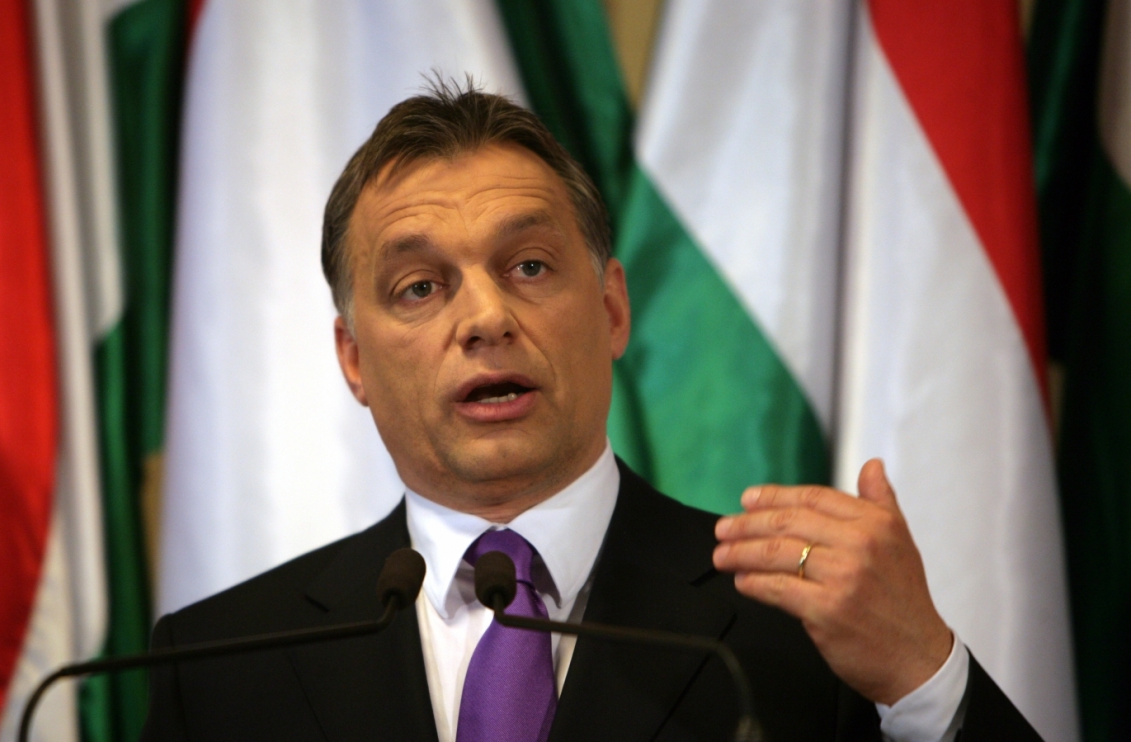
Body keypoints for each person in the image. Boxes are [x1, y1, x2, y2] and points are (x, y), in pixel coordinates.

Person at [141, 81, 1041, 741]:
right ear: (353, 360)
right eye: (420, 286)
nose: (485, 318)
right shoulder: (222, 665)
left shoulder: (802, 628)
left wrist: (923, 674)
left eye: (529, 266)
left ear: (611, 309)